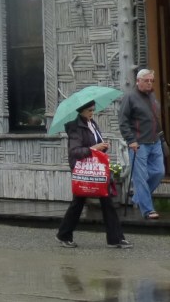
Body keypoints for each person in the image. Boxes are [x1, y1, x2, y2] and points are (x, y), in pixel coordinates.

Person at [56, 100, 132, 249]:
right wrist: (94, 148)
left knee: (107, 201)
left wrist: (102, 146)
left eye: (93, 109)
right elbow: (75, 151)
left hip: (96, 169)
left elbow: (96, 146)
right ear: (81, 111)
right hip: (83, 170)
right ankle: (64, 234)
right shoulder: (75, 127)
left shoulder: (92, 124)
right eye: (89, 110)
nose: (92, 112)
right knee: (78, 203)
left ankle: (115, 238)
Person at [118, 68, 165, 220]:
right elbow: (123, 121)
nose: (150, 83)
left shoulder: (151, 95)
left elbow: (154, 118)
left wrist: (161, 136)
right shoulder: (130, 97)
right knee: (140, 177)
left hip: (155, 140)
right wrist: (130, 140)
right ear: (138, 81)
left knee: (159, 172)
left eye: (152, 80)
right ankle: (148, 210)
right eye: (146, 81)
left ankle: (138, 197)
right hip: (139, 143)